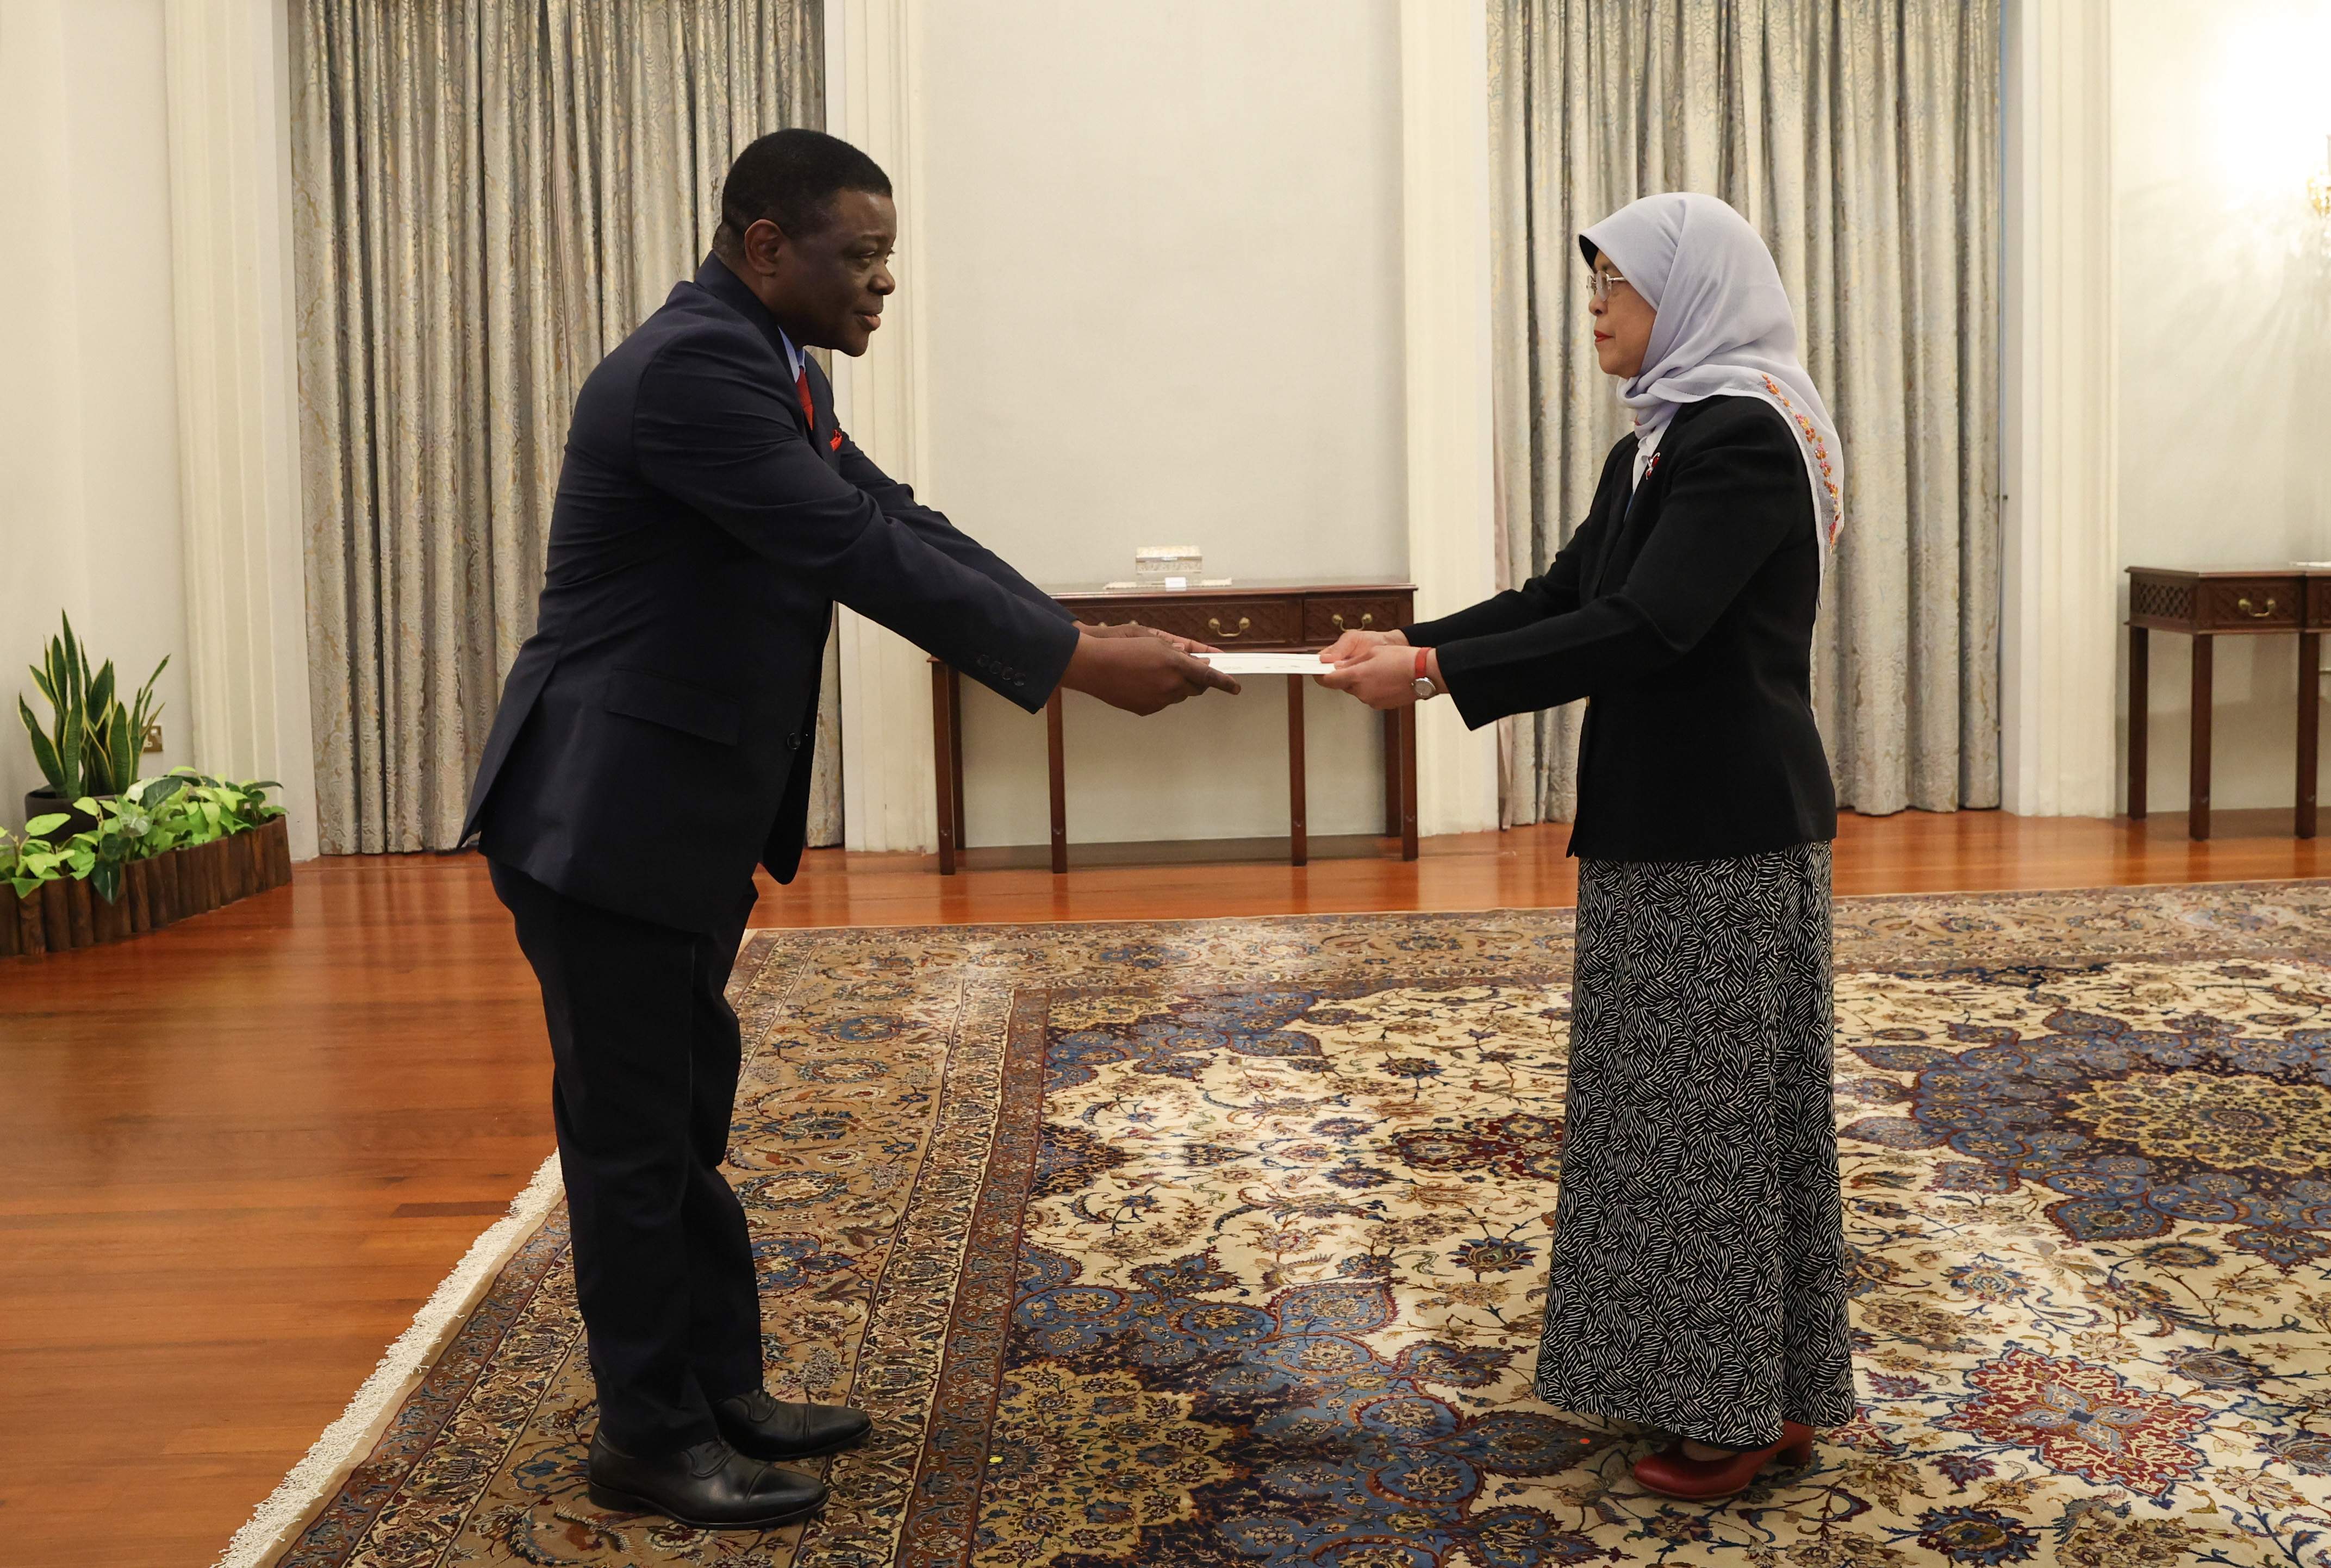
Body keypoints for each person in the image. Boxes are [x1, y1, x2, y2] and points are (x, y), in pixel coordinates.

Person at [460, 128, 1237, 1529]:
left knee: (682, 1116)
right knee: (634, 1145)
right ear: (768, 246)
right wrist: (1067, 668)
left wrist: (1076, 629)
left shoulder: (768, 358)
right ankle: (647, 1436)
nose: (884, 283)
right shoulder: (695, 370)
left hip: (669, 817)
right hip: (603, 820)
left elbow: (892, 512)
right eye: (860, 255)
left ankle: (718, 1388)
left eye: (887, 256)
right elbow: (855, 555)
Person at [1318, 191, 1853, 1501]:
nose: (1596, 310)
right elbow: (1571, 597)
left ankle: (1735, 1411)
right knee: (1664, 1114)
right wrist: (1414, 644)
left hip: (1723, 828)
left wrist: (1437, 672)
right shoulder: (1658, 444)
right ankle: (1735, 1385)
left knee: (1709, 1127)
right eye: (1593, 286)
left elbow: (1651, 628)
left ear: (1691, 295)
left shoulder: (1741, 439)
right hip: (1663, 819)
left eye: (1615, 285)